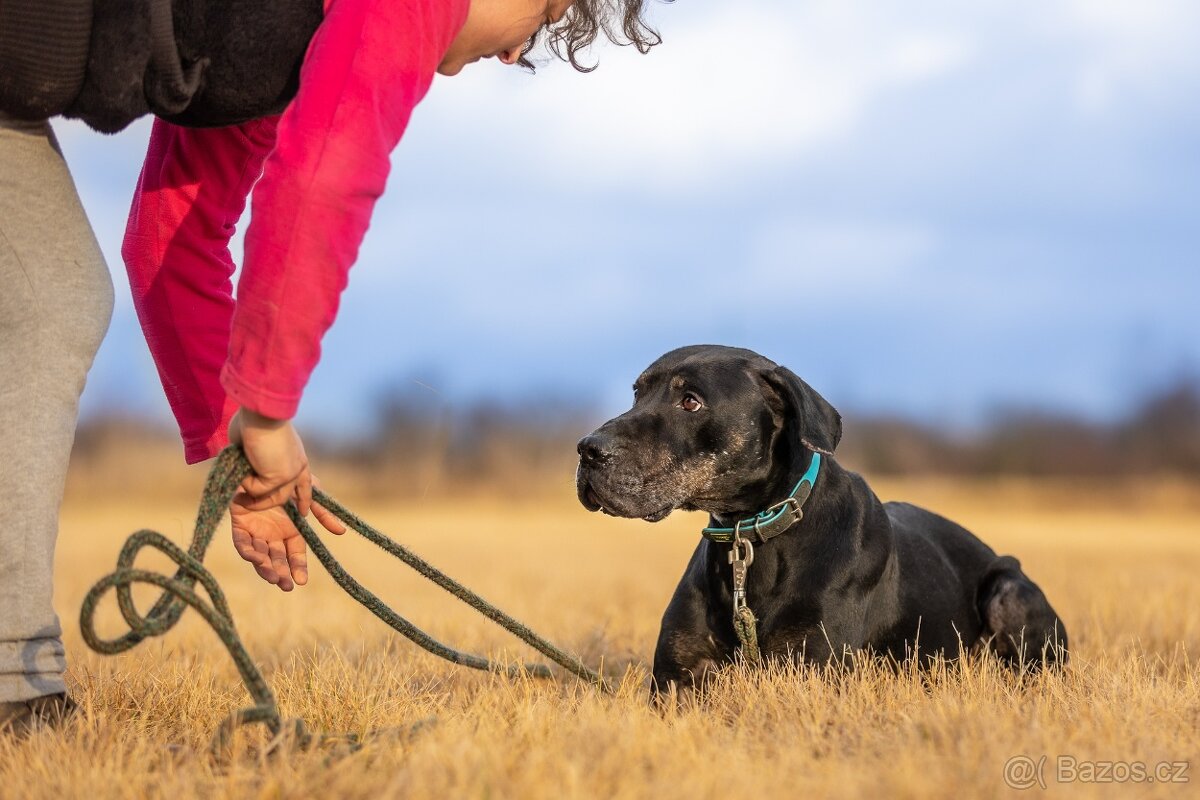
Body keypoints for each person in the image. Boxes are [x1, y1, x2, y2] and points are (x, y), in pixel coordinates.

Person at [0, 0, 663, 733]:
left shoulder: (267, 56)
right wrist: (270, 412)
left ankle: (11, 684)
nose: (514, 55)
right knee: (49, 302)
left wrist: (240, 443)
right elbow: (323, 179)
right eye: (543, 18)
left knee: (49, 299)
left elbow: (172, 239)